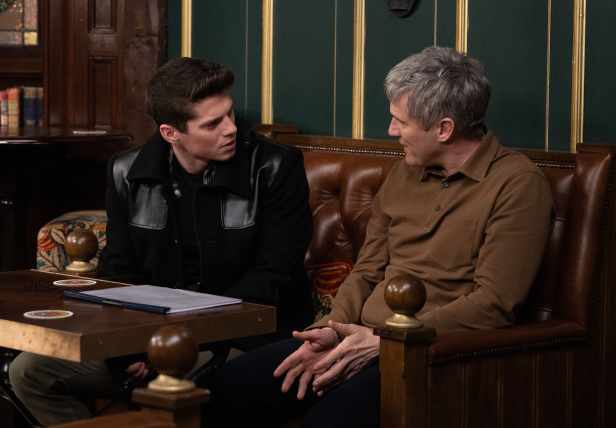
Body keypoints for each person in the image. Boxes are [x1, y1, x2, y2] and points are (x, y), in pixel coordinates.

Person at [207, 46, 554, 427]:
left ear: (444, 129)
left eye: (400, 121)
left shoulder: (518, 184)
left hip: (435, 353)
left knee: (331, 419)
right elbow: (367, 270)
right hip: (357, 337)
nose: (391, 131)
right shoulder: (405, 171)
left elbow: (493, 304)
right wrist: (330, 330)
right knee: (225, 388)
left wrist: (386, 342)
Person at [9, 57, 313, 426]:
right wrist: (128, 347)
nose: (231, 128)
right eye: (213, 123)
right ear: (170, 133)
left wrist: (170, 344)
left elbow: (272, 278)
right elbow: (118, 273)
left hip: (242, 337)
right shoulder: (126, 171)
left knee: (195, 384)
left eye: (230, 114)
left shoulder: (275, 167)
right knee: (30, 372)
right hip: (146, 338)